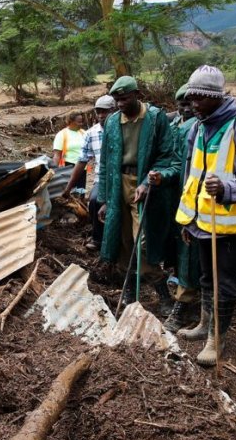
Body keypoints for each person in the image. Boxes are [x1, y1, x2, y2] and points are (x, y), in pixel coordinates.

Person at [175, 66, 236, 365]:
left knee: (224, 281)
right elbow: (192, 175)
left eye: (199, 98)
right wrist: (187, 220)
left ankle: (217, 338)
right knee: (205, 276)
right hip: (201, 219)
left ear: (216, 96)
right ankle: (204, 324)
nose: (193, 104)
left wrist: (226, 188)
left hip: (227, 224)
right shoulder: (200, 125)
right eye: (191, 98)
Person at [97, 75, 181, 317]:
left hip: (144, 186)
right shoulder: (112, 122)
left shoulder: (155, 119)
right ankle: (130, 295)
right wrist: (104, 199)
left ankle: (163, 294)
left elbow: (168, 156)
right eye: (117, 100)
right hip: (117, 184)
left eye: (124, 99)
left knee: (142, 243)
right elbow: (105, 162)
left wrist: (147, 182)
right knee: (122, 241)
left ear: (137, 95)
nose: (120, 104)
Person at [165, 83, 202, 332]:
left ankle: (185, 303)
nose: (188, 109)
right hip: (177, 197)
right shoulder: (174, 125)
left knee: (192, 253)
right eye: (183, 105)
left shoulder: (233, 126)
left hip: (205, 200)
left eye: (192, 103)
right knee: (182, 248)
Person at [62, 95, 115, 251]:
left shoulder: (124, 129)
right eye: (98, 112)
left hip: (124, 176)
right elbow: (82, 161)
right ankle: (98, 238)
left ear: (114, 110)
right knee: (94, 201)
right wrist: (68, 187)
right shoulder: (91, 134)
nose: (101, 115)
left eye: (105, 112)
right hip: (102, 177)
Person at [53, 111, 87, 193]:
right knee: (69, 192)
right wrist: (53, 171)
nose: (81, 124)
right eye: (79, 122)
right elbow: (57, 155)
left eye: (82, 121)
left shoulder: (84, 133)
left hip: (82, 167)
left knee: (80, 192)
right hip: (68, 167)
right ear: (71, 122)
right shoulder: (62, 134)